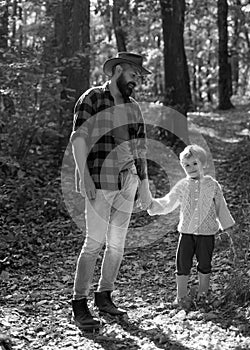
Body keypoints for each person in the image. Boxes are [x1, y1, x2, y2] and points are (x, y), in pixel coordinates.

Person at [70, 52, 153, 330]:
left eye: (139, 78)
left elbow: (140, 148)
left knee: (117, 245)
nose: (136, 82)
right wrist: (85, 177)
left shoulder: (133, 107)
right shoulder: (92, 98)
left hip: (127, 181)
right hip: (99, 181)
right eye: (133, 75)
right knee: (93, 244)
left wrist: (144, 186)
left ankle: (104, 296)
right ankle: (79, 304)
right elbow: (78, 139)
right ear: (117, 70)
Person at [147, 144, 235, 310]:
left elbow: (221, 208)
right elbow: (168, 202)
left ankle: (203, 294)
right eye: (187, 165)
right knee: (182, 264)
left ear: (203, 164)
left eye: (195, 163)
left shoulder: (212, 185)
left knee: (205, 263)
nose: (191, 168)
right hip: (186, 233)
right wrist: (152, 205)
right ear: (183, 167)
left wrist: (228, 227)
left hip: (207, 233)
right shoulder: (182, 185)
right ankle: (181, 295)